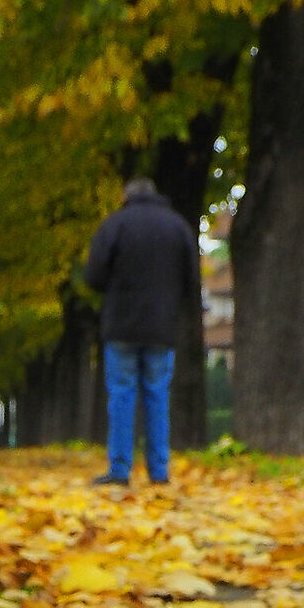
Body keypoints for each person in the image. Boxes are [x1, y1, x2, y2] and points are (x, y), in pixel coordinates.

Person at [83, 177, 201, 488]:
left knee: (121, 394)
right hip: (162, 326)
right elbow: (192, 280)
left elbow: (93, 275)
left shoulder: (114, 225)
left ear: (125, 197)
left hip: (121, 324)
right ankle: (158, 470)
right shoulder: (178, 227)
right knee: (157, 395)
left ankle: (120, 469)